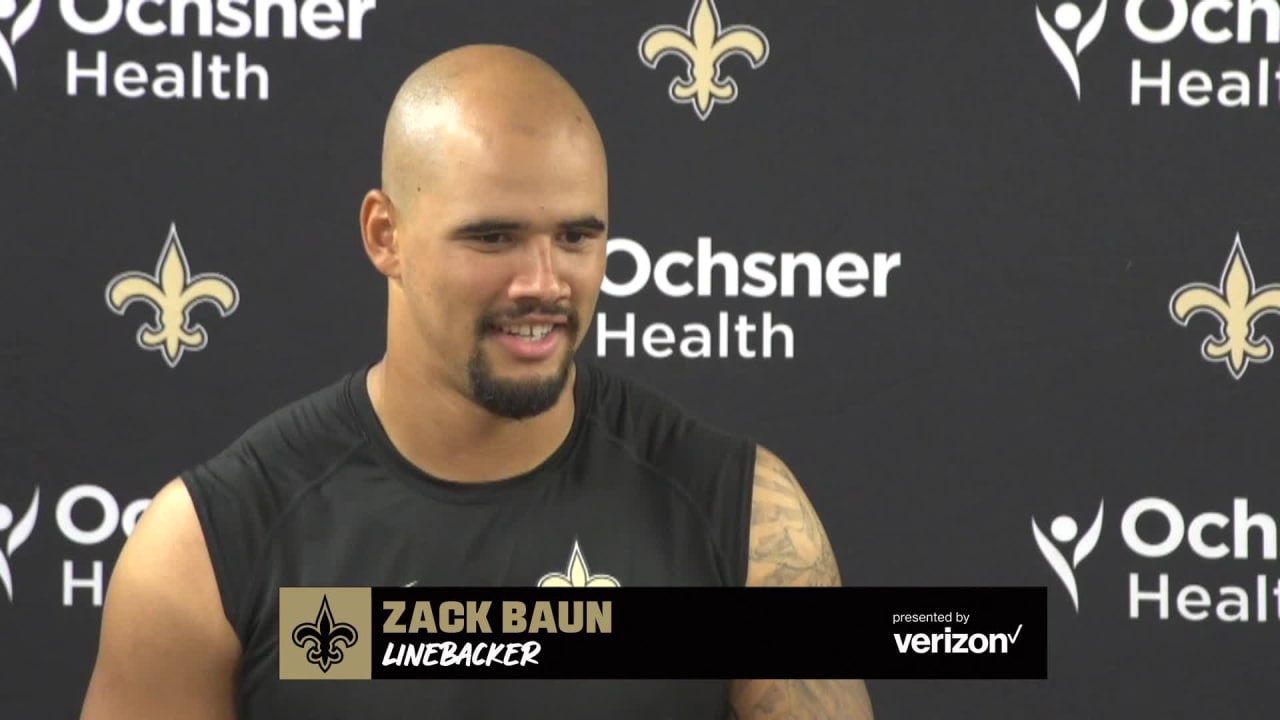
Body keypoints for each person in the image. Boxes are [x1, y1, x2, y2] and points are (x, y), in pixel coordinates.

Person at [79, 44, 874, 720]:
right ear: (385, 235)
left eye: (575, 237)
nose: (543, 281)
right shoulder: (206, 550)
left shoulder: (744, 523)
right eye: (493, 237)